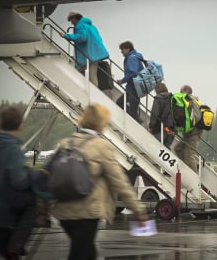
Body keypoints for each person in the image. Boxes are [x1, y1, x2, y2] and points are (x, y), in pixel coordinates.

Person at [51, 104, 148, 260]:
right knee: (81, 255)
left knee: (88, 254)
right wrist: (138, 210)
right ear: (101, 123)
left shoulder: (66, 143)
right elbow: (119, 181)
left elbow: (49, 175)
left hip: (63, 212)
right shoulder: (101, 146)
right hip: (87, 213)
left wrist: (42, 209)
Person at [0, 107, 36, 260]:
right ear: (20, 125)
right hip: (4, 214)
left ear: (0, 124)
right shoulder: (12, 149)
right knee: (32, 203)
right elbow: (19, 181)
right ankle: (17, 245)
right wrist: (30, 175)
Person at [60, 11, 109, 86]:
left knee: (86, 76)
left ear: (75, 18)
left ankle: (92, 93)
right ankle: (94, 93)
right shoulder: (91, 26)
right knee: (93, 75)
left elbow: (82, 37)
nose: (71, 23)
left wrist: (67, 36)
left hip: (87, 55)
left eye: (71, 20)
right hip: (95, 54)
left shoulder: (80, 26)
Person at [173, 85, 202, 172]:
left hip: (194, 133)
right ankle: (187, 167)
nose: (180, 93)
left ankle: (194, 178)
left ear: (186, 91)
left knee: (190, 155)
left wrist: (189, 125)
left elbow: (197, 117)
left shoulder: (192, 101)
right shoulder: (187, 101)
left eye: (181, 91)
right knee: (177, 149)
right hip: (188, 133)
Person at [116, 41, 144, 123]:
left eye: (122, 49)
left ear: (127, 49)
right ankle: (137, 119)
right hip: (134, 87)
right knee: (124, 104)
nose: (121, 52)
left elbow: (133, 72)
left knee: (126, 105)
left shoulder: (131, 58)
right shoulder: (136, 56)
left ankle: (137, 121)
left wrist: (122, 80)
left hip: (133, 87)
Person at [148, 82, 174, 149]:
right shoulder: (173, 98)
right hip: (171, 128)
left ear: (157, 90)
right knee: (166, 148)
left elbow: (155, 114)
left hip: (160, 128)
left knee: (155, 147)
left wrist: (151, 127)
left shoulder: (158, 98)